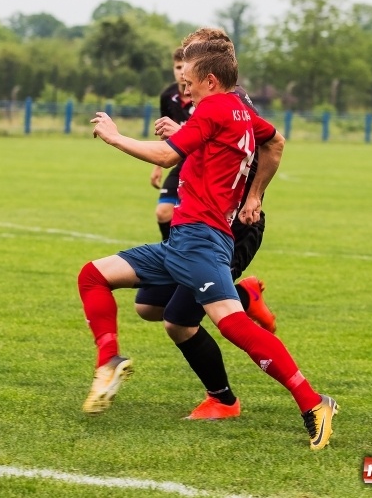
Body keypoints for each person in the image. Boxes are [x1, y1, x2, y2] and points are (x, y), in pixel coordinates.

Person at [82, 38, 338, 450]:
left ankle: (314, 402)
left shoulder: (214, 107)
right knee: (95, 276)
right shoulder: (239, 110)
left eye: (190, 75)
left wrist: (114, 136)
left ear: (211, 80)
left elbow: (166, 157)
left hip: (202, 239)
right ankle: (109, 361)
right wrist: (253, 193)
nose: (184, 81)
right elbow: (273, 142)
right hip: (186, 239)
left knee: (232, 324)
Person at [150, 47, 193, 241]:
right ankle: (170, 252)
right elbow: (164, 131)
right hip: (181, 163)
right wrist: (157, 166)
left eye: (185, 67)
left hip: (204, 164)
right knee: (163, 212)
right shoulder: (167, 96)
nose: (181, 72)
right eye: (177, 67)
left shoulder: (202, 95)